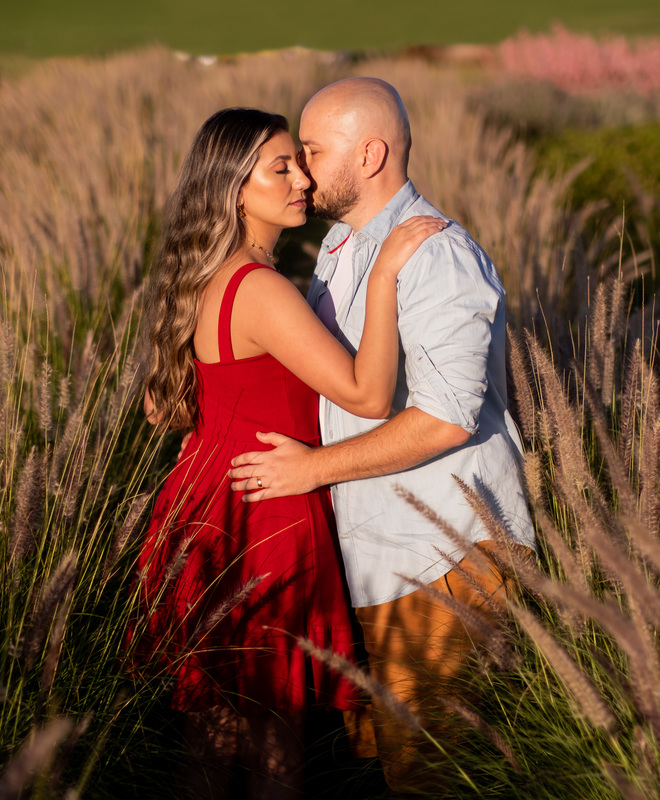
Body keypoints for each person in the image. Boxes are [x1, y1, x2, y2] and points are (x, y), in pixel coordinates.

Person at [226, 78, 537, 792]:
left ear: (369, 154)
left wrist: (314, 470)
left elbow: (448, 417)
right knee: (397, 768)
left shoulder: (435, 255)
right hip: (375, 556)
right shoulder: (340, 246)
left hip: (443, 557)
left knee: (442, 774)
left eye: (312, 149)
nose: (300, 169)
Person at [132, 106, 446, 800]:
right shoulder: (261, 288)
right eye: (282, 167)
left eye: (299, 162)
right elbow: (368, 396)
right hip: (267, 513)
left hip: (207, 505)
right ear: (235, 189)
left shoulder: (203, 277)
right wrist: (388, 273)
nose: (302, 178)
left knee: (210, 742)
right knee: (276, 746)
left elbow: (166, 409)